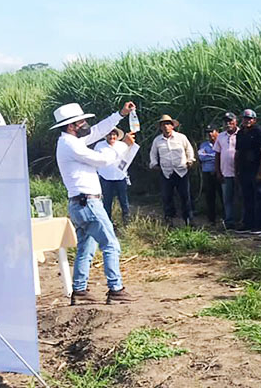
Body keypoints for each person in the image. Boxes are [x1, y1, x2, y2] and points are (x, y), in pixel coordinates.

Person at [52, 100, 137, 304]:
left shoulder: (70, 141)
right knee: (110, 244)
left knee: (85, 248)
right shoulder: (71, 145)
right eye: (81, 122)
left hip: (80, 204)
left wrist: (120, 114)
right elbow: (102, 160)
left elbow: (98, 130)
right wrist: (122, 146)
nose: (85, 124)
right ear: (72, 126)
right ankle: (116, 289)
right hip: (88, 203)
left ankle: (79, 291)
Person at [149, 115, 196, 227]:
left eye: (168, 124)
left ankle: (188, 219)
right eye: (163, 124)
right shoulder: (157, 140)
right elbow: (153, 154)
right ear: (160, 127)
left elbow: (189, 149)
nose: (166, 126)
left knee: (185, 196)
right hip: (166, 172)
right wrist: (154, 164)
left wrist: (190, 160)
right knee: (167, 197)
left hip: (181, 171)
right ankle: (169, 220)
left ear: (172, 126)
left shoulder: (181, 137)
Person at [234, 109, 261, 234]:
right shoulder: (240, 133)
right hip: (244, 170)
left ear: (254, 120)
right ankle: (248, 224)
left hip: (256, 169)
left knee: (259, 197)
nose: (247, 121)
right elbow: (237, 153)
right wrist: (236, 170)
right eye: (245, 118)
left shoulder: (259, 132)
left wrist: (260, 172)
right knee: (247, 197)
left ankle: (260, 225)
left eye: (249, 119)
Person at [95, 127, 137, 225]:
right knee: (107, 201)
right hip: (105, 177)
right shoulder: (99, 146)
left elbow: (127, 158)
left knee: (123, 200)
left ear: (117, 136)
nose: (111, 137)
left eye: (114, 135)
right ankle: (107, 222)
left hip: (120, 177)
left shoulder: (122, 145)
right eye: (109, 134)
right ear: (106, 135)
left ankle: (127, 222)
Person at [213, 112, 238, 229]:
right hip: (225, 173)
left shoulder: (241, 134)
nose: (228, 124)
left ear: (235, 121)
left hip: (239, 173)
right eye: (226, 122)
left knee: (240, 198)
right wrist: (218, 171)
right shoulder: (220, 136)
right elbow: (217, 154)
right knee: (227, 199)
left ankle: (242, 221)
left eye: (230, 121)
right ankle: (229, 222)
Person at [197, 125, 220, 225]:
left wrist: (211, 156)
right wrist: (214, 156)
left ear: (217, 132)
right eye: (208, 132)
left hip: (220, 173)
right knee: (210, 197)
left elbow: (222, 156)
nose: (210, 134)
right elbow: (201, 157)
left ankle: (226, 219)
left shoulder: (221, 143)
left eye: (212, 131)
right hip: (207, 173)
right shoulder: (203, 145)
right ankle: (211, 219)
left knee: (223, 196)